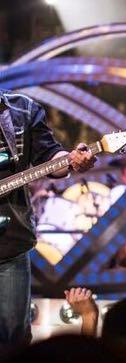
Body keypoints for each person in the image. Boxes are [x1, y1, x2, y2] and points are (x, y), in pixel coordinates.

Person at [0, 90, 96, 350]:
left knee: (13, 341)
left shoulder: (23, 110)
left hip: (10, 248)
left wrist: (72, 161)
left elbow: (50, 158)